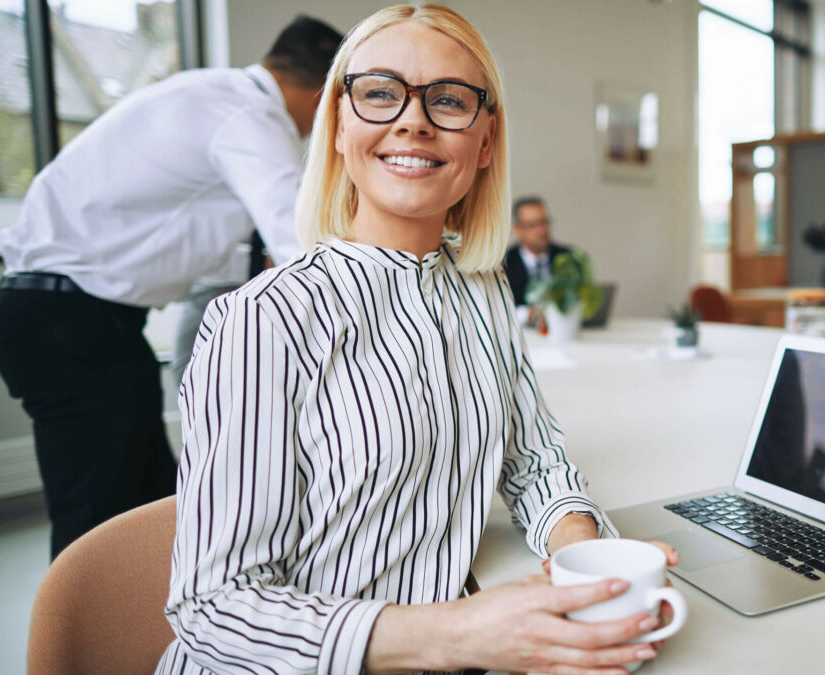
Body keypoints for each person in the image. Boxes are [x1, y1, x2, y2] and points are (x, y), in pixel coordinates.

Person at [157, 6, 677, 674]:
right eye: (379, 93)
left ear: (485, 143)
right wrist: (458, 632)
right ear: (339, 123)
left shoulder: (483, 289)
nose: (413, 120)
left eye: (450, 101)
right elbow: (213, 606)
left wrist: (584, 558)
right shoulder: (262, 319)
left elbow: (534, 459)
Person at [0, 16, 344, 558]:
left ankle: (156, 633)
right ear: (324, 91)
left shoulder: (209, 95)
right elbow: (298, 239)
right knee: (99, 520)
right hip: (68, 321)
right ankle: (87, 638)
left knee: (151, 502)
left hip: (70, 316)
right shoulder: (250, 112)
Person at [503, 195, 573, 308]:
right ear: (518, 229)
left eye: (544, 222)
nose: (541, 230)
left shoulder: (568, 257)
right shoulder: (505, 264)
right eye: (532, 225)